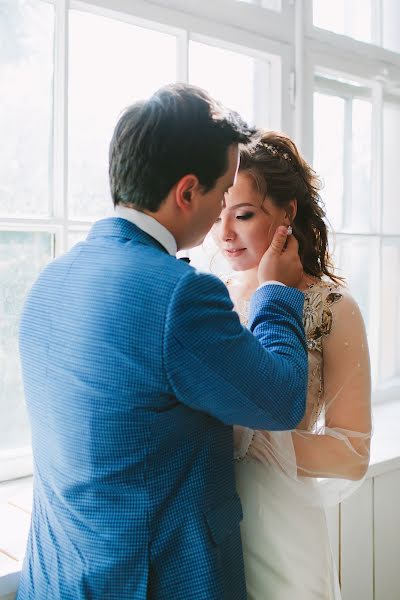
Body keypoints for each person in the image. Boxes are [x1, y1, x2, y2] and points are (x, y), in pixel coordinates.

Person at [17, 85, 309, 600]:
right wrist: (277, 294)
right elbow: (282, 399)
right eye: (222, 194)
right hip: (156, 580)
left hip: (57, 577)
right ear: (187, 192)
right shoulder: (180, 296)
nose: (224, 212)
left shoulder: (48, 280)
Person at [212, 130, 372, 599]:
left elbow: (353, 454)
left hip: (283, 534)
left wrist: (255, 439)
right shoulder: (211, 297)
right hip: (214, 528)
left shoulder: (332, 308)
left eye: (242, 215)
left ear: (288, 212)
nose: (224, 234)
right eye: (217, 215)